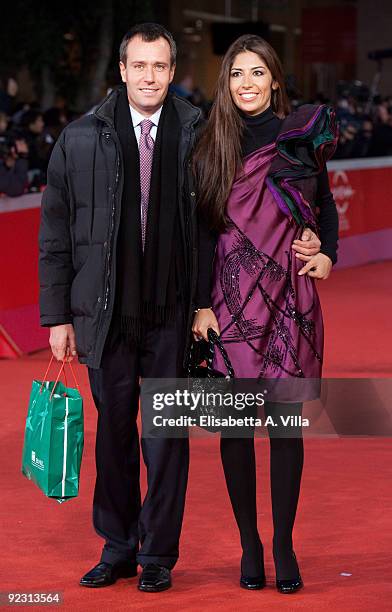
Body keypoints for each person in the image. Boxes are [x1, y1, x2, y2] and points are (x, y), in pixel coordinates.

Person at [39, 23, 203, 593]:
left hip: (172, 315)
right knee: (113, 436)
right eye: (141, 65)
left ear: (172, 71)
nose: (150, 76)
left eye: (161, 66)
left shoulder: (196, 134)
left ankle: (158, 552)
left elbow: (215, 226)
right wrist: (58, 317)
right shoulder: (80, 137)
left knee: (166, 437)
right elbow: (56, 234)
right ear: (122, 70)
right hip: (103, 315)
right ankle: (118, 547)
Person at [192, 35, 338, 594]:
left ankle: (283, 544)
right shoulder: (211, 143)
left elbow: (323, 207)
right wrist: (201, 306)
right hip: (229, 299)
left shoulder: (301, 137)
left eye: (257, 73)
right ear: (225, 83)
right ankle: (249, 544)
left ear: (276, 79)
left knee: (284, 428)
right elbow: (203, 230)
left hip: (289, 298)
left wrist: (326, 252)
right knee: (234, 428)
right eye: (236, 74)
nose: (247, 84)